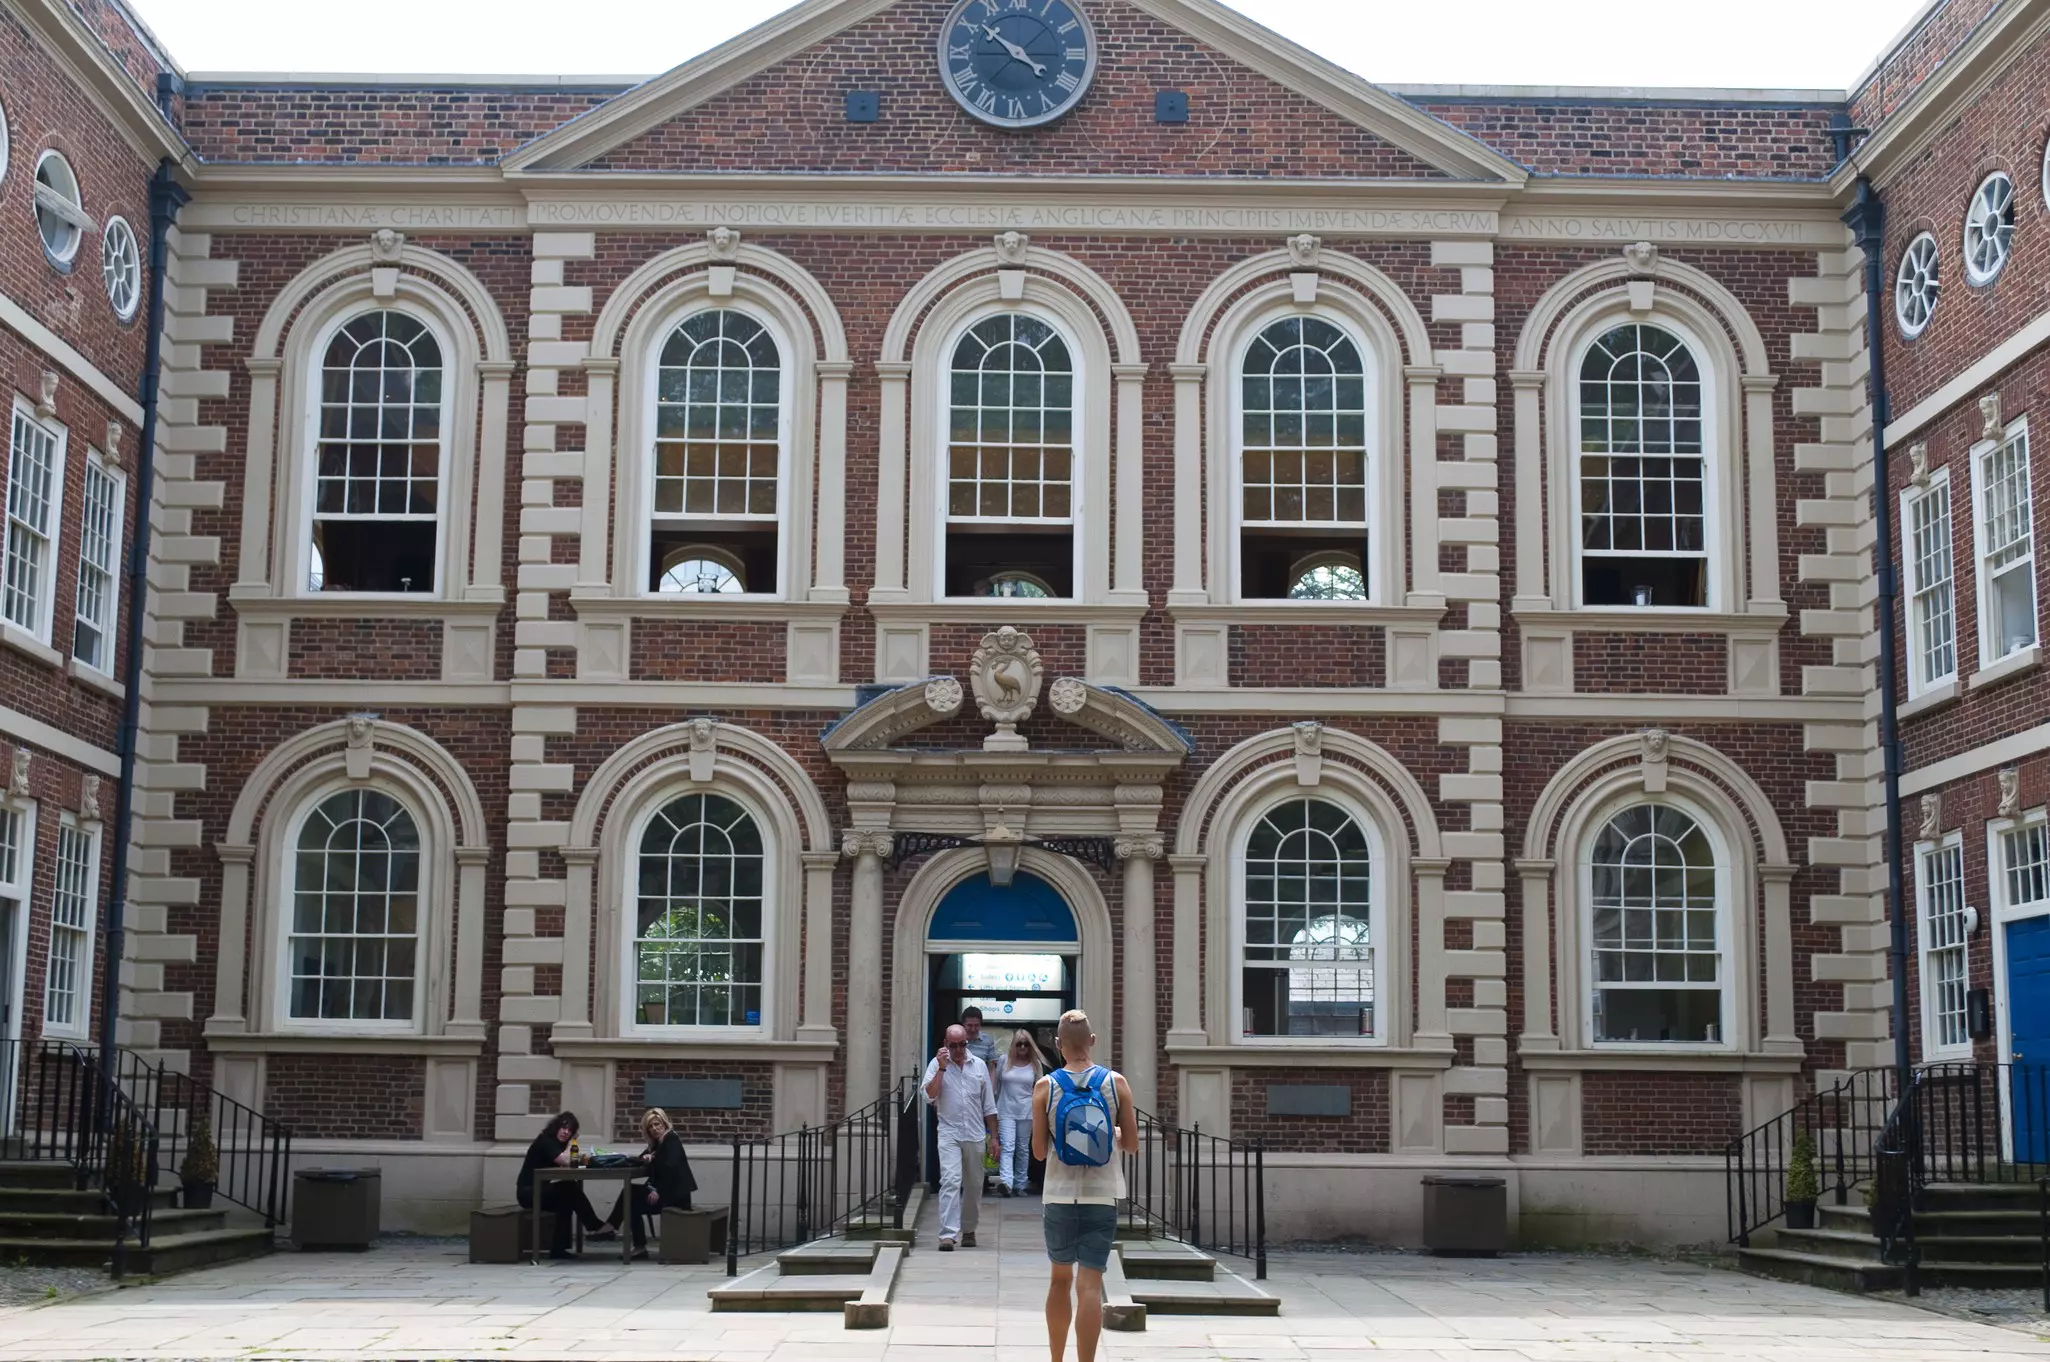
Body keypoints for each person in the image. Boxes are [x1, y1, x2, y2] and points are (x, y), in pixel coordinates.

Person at [1032, 1009, 1139, 1362]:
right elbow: (1132, 1145)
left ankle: (1056, 1359)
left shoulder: (1045, 1087)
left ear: (1059, 1045)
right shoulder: (1115, 1083)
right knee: (1091, 1286)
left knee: (1059, 1280)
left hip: (1059, 1196)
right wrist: (1117, 1134)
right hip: (1103, 1194)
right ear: (1092, 1041)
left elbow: (1037, 1151)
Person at [922, 1022, 998, 1251]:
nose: (958, 1049)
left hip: (975, 1133)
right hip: (949, 1132)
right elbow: (929, 1096)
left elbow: (989, 1105)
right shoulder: (936, 1064)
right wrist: (942, 1068)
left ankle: (969, 1230)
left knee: (974, 1185)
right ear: (946, 1044)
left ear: (967, 1042)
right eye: (953, 1045)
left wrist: (994, 1137)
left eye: (962, 1044)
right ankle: (947, 1234)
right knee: (951, 1180)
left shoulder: (979, 1066)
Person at [605, 1107, 697, 1259]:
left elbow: (671, 1168)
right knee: (630, 1193)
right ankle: (620, 1232)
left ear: (664, 1124)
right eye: (650, 1126)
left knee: (631, 1198)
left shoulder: (671, 1139)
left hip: (674, 1195)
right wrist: (647, 1158)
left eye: (657, 1124)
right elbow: (643, 1159)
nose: (654, 1129)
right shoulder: (658, 1144)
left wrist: (657, 1189)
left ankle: (621, 1233)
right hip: (667, 1192)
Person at [516, 1110, 607, 1260]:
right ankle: (594, 1225)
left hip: (540, 1189)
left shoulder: (556, 1144)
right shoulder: (546, 1140)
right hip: (528, 1193)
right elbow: (565, 1161)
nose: (566, 1132)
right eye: (564, 1128)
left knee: (566, 1200)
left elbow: (567, 1164)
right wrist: (572, 1143)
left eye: (570, 1130)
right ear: (556, 1127)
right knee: (568, 1188)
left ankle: (558, 1250)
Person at [993, 1028, 1044, 1197]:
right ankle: (1006, 1183)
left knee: (1022, 1148)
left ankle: (1020, 1184)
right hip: (1006, 1109)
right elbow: (997, 1085)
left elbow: (1040, 1089)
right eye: (1019, 1044)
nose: (1023, 1047)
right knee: (1008, 1147)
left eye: (1026, 1044)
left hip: (1027, 1111)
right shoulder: (1003, 1061)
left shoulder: (1035, 1065)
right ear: (1013, 1045)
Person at [961, 1005, 1001, 1069]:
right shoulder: (956, 1040)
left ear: (980, 1024)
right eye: (969, 1025)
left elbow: (991, 1068)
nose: (973, 1029)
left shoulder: (988, 1041)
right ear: (963, 1024)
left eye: (976, 1025)